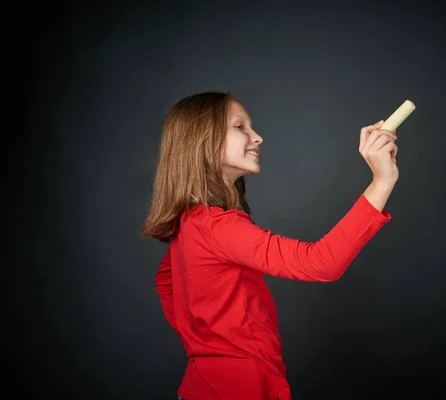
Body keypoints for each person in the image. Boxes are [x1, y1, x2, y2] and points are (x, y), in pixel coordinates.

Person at [140, 91, 399, 400]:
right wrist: (382, 181)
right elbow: (320, 262)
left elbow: (166, 282)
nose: (258, 137)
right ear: (201, 140)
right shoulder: (218, 227)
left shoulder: (192, 221)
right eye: (240, 127)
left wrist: (207, 343)